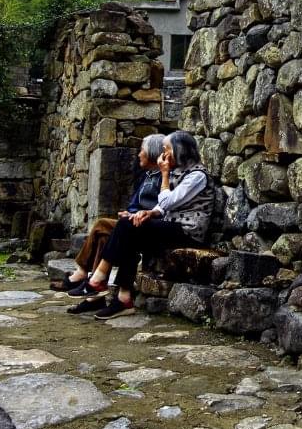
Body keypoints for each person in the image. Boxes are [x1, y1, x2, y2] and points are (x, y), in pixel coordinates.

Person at [89, 130, 215, 320]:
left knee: (126, 227)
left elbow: (169, 201)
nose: (163, 155)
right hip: (172, 227)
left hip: (188, 232)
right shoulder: (180, 172)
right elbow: (162, 207)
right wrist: (148, 213)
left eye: (167, 149)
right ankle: (123, 298)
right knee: (129, 229)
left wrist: (164, 175)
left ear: (179, 151)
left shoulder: (197, 176)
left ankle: (98, 278)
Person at [57, 134, 164, 314]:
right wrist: (130, 213)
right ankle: (94, 295)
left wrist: (137, 215)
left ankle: (85, 276)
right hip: (134, 221)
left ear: (153, 153)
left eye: (142, 150)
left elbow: (163, 206)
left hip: (147, 225)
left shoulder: (163, 178)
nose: (139, 154)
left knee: (101, 225)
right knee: (104, 235)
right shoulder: (147, 176)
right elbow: (134, 203)